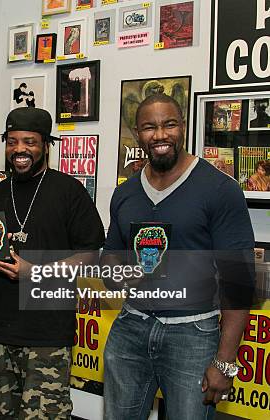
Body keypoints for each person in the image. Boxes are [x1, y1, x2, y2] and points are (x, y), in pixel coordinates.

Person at [102, 94, 255, 419]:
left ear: (183, 127)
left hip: (193, 335)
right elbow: (109, 267)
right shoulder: (125, 193)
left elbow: (239, 281)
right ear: (138, 134)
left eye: (169, 124)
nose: (160, 135)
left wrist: (225, 361)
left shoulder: (219, 190)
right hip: (130, 329)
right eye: (149, 127)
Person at [0, 107, 105, 419]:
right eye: (12, 141)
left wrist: (34, 271)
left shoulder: (69, 192)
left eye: (29, 141)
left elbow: (91, 255)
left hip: (47, 336)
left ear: (46, 145)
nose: (19, 150)